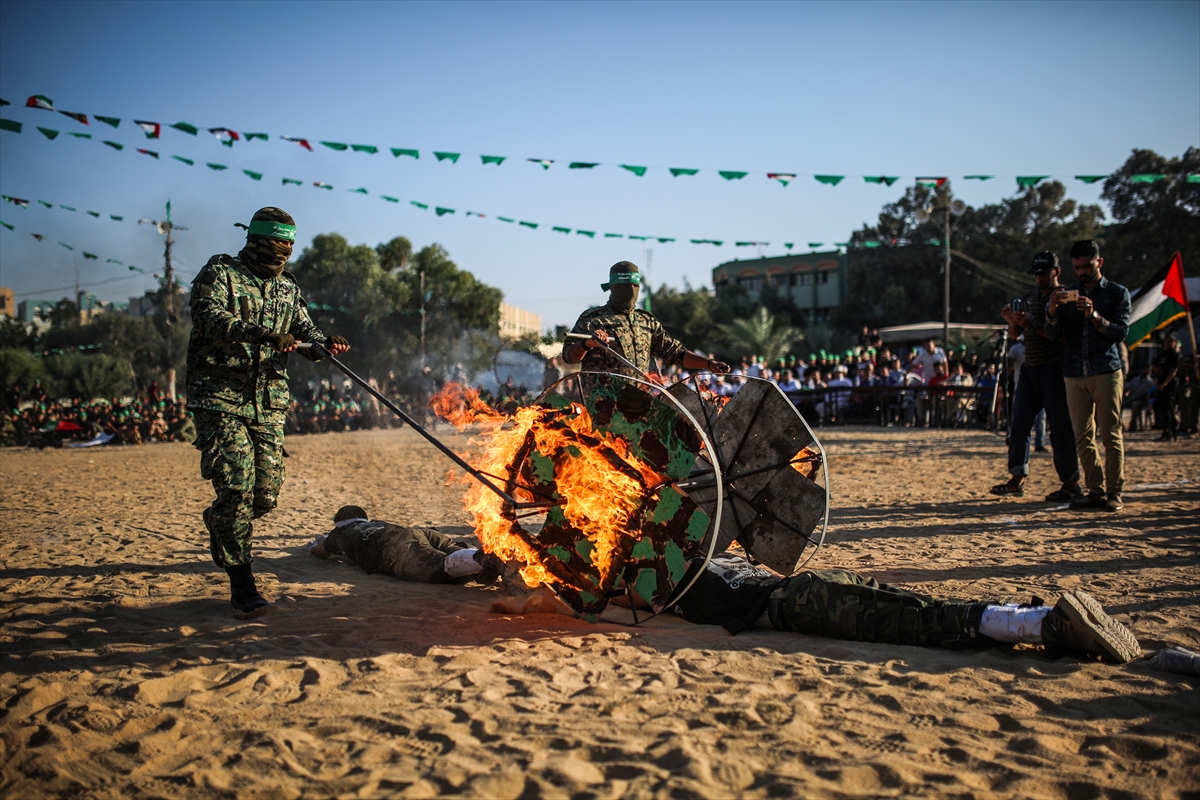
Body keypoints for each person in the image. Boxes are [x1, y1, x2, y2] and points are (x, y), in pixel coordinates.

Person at [187, 206, 351, 616]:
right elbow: (208, 318)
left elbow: (305, 332)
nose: (283, 252)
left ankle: (222, 520)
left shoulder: (287, 288)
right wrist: (263, 335)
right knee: (237, 487)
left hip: (268, 402)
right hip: (220, 398)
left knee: (264, 495)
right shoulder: (221, 274)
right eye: (277, 243)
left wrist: (325, 344)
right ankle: (242, 585)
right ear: (256, 240)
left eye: (288, 245)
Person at [667, 553, 1140, 664]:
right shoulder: (684, 569)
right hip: (810, 587)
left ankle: (1041, 625)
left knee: (915, 618)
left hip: (801, 598)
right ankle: (1034, 620)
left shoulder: (671, 575)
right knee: (918, 609)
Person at [1045, 240, 1131, 512]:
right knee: (1082, 436)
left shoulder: (1117, 293)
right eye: (1077, 267)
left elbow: (1120, 332)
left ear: (1099, 263)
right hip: (1074, 373)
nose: (1082, 272)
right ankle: (1095, 491)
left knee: (1110, 434)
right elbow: (1053, 335)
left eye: (1087, 266)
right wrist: (1051, 311)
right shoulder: (1067, 295)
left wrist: (1094, 315)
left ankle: (1114, 492)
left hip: (1106, 370)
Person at [990, 252, 1081, 502]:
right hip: (1031, 369)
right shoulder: (1029, 298)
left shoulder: (1066, 298)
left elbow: (1062, 336)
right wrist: (1012, 321)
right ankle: (1017, 478)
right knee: (1018, 426)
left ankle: (1071, 482)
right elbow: (1016, 335)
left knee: (1060, 429)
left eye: (1044, 273)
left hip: (1056, 368)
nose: (1039, 278)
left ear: (1057, 272)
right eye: (1036, 274)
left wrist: (1030, 324)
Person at [563, 262, 729, 389]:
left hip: (639, 404)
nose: (631, 290)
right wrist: (587, 344)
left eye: (635, 286)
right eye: (625, 286)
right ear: (612, 288)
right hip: (602, 405)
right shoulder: (593, 319)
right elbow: (569, 357)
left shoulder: (646, 321)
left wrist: (708, 364)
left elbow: (675, 353)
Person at [306, 505, 503, 585]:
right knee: (455, 550)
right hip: (416, 532)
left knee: (439, 565)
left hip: (393, 547)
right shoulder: (374, 523)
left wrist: (312, 546)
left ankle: (485, 560)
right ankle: (493, 562)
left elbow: (321, 552)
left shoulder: (340, 533)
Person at [1152, 334, 1181, 441]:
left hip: (1170, 384)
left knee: (1169, 408)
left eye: (1170, 341)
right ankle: (1165, 431)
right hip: (1160, 384)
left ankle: (1172, 432)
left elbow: (1173, 370)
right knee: (1162, 408)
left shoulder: (1174, 354)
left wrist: (1165, 383)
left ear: (1175, 343)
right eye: (1166, 340)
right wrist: (1156, 375)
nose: (1168, 343)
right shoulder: (1162, 353)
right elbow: (1154, 365)